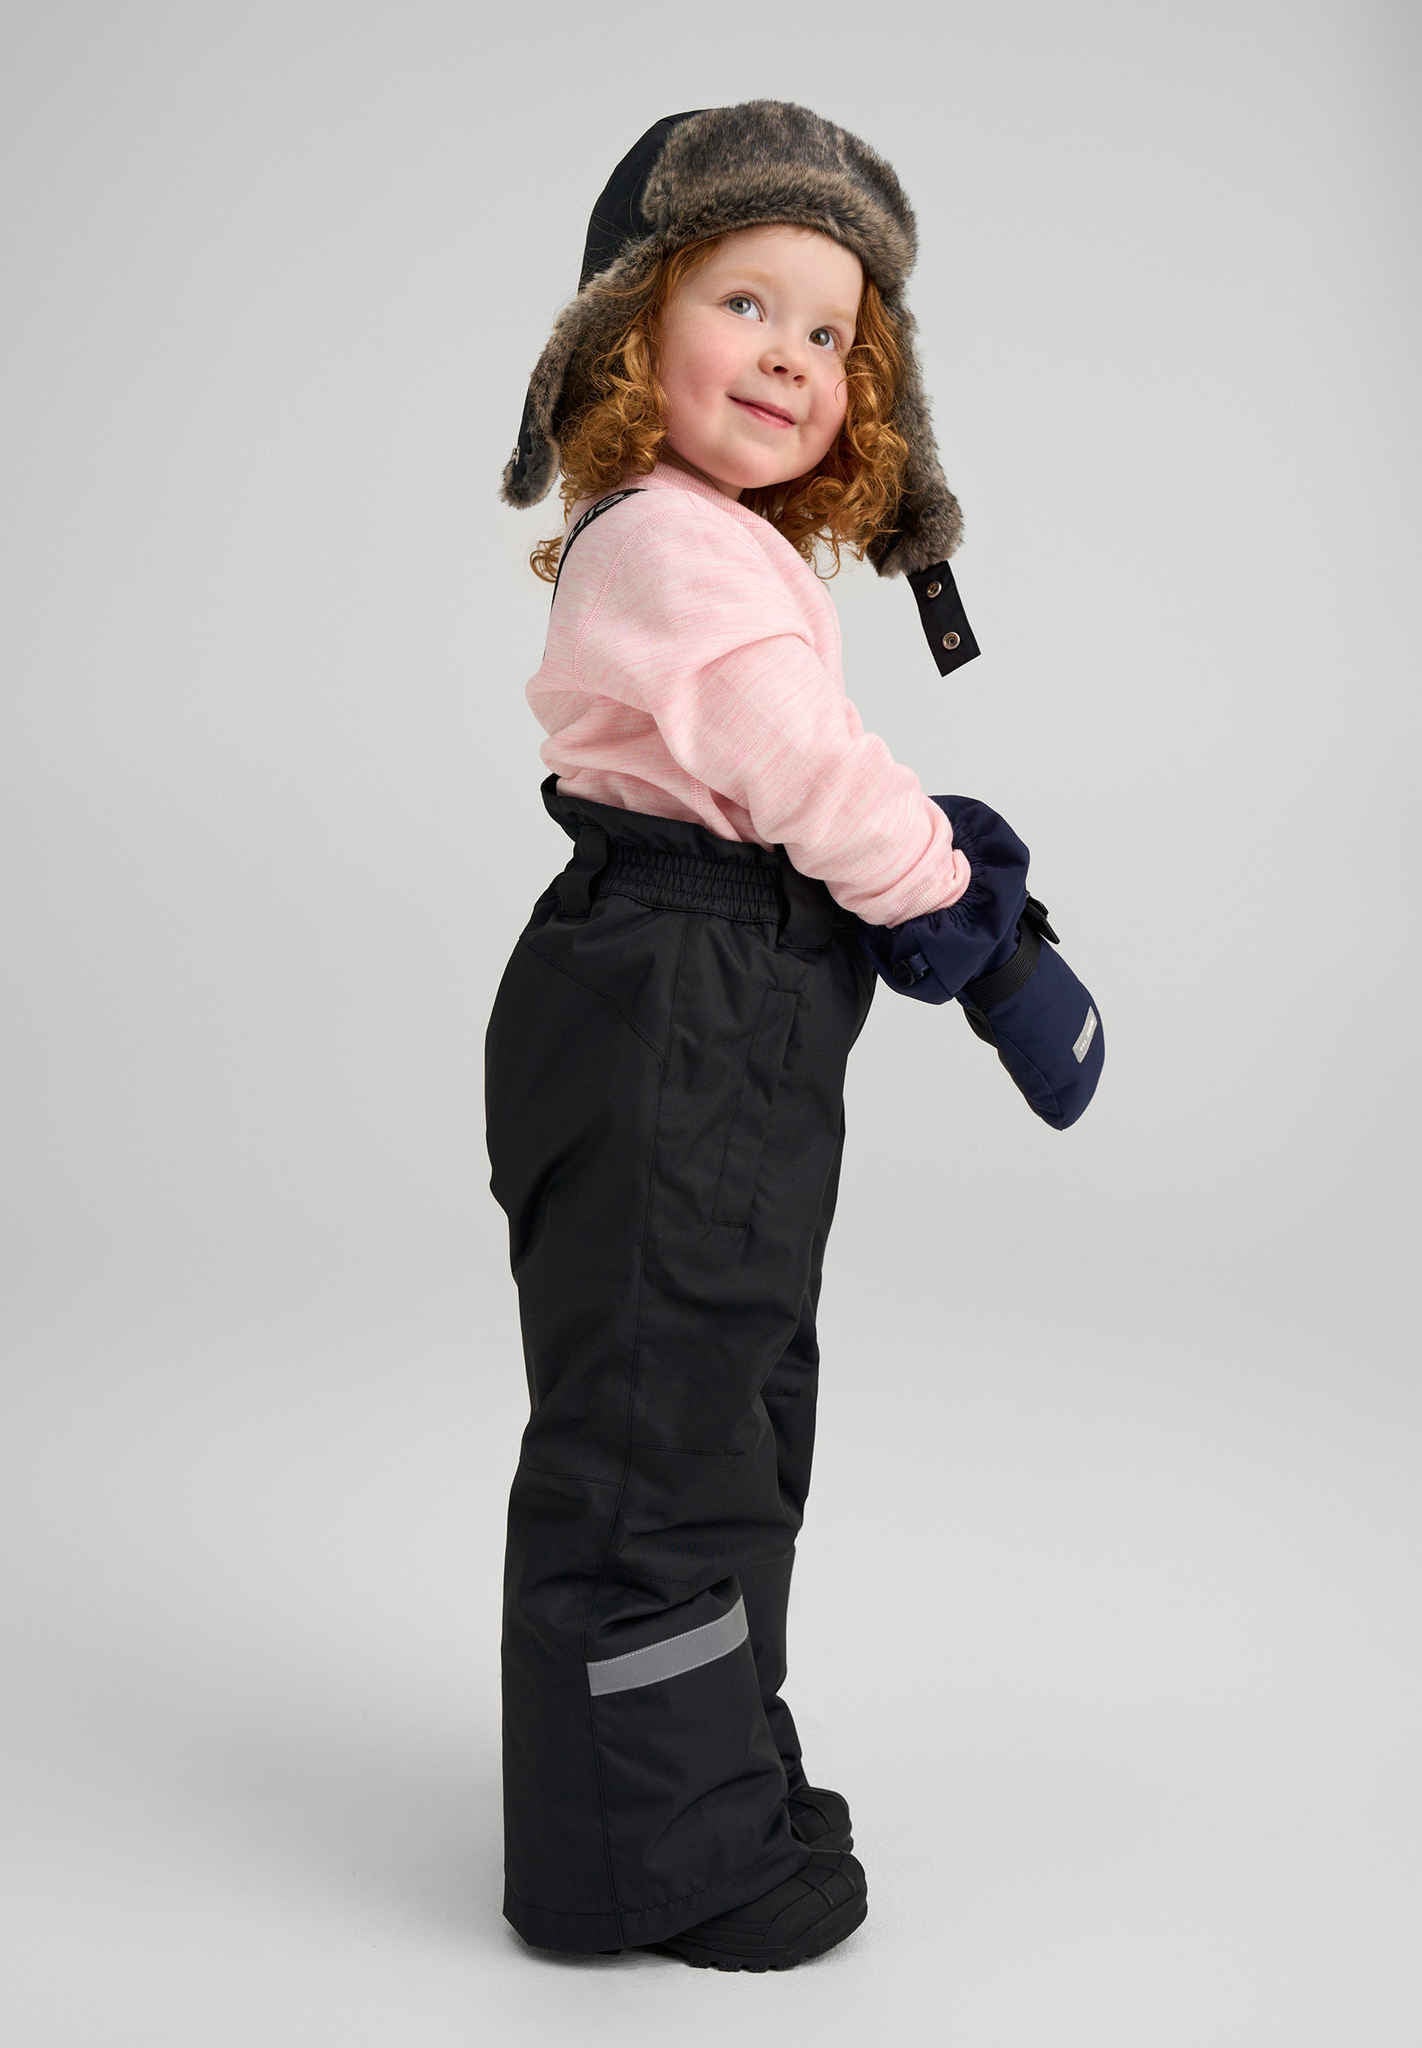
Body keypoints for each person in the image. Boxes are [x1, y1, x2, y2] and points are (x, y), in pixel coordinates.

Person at [484, 99, 1092, 1973]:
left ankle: (699, 1784)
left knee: (726, 1405)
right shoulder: (673, 545)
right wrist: (977, 936)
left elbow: (788, 774)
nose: (789, 356)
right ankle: (646, 1862)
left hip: (710, 996)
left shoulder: (713, 545)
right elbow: (804, 775)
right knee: (664, 1424)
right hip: (678, 995)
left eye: (829, 331)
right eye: (742, 301)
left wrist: (925, 877)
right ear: (627, 330)